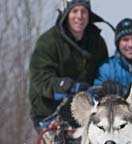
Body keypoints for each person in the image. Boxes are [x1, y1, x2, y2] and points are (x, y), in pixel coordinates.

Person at [29, 0, 111, 132]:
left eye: (84, 11)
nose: (79, 16)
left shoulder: (97, 42)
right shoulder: (49, 41)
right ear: (66, 13)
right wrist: (66, 86)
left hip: (85, 111)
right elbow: (39, 78)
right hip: (49, 113)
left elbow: (104, 72)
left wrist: (105, 86)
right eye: (75, 11)